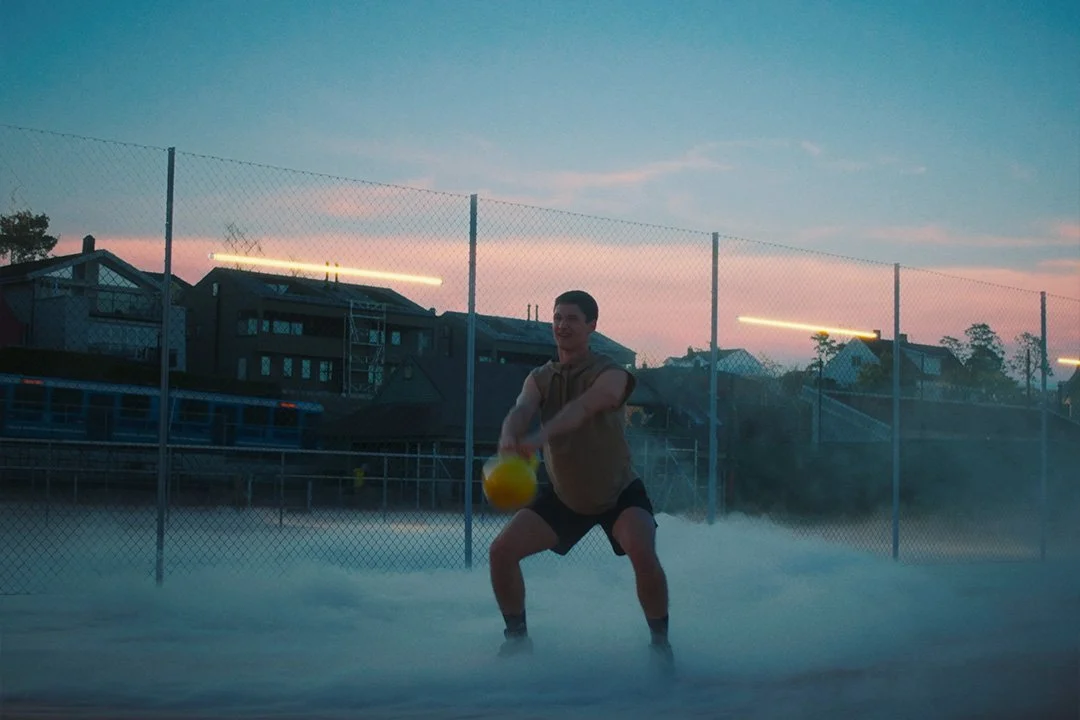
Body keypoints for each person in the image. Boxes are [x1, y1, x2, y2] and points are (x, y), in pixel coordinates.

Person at [489, 290, 673, 671]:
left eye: (572, 318)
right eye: (557, 318)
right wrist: (510, 433)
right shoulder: (540, 377)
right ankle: (517, 641)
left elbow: (586, 407)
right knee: (501, 552)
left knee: (642, 551)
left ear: (592, 326)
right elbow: (522, 408)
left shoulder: (612, 373)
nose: (562, 325)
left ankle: (660, 645)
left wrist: (539, 437)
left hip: (618, 493)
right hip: (566, 496)